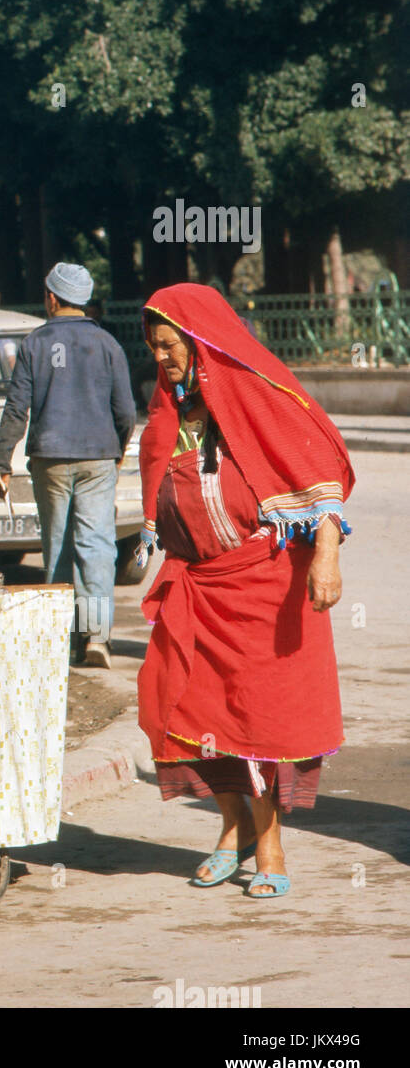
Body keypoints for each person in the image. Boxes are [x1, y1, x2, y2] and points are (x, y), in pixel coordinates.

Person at [137, 285, 352, 899]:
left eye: (170, 346)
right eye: (153, 348)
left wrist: (327, 560)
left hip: (264, 587)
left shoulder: (256, 401)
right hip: (197, 586)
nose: (162, 360)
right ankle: (231, 831)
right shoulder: (172, 412)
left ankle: (271, 844)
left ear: (200, 342)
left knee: (261, 720)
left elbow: (321, 485)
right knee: (189, 710)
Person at [0, 262, 135, 668]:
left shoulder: (35, 342)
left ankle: (62, 636)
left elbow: (17, 407)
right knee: (97, 544)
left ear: (51, 298)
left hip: (49, 457)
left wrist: (1, 460)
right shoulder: (108, 344)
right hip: (98, 456)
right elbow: (125, 410)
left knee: (57, 543)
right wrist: (116, 450)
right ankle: (96, 637)